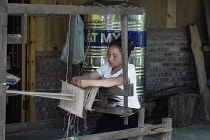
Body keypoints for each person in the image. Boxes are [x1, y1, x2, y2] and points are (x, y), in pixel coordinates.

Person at [72, 38, 140, 140]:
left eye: (115, 56)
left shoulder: (129, 69)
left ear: (124, 56)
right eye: (109, 54)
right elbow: (91, 76)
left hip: (129, 115)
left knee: (107, 137)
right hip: (112, 112)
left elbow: (117, 81)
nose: (110, 58)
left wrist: (88, 83)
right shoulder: (107, 66)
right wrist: (80, 78)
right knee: (95, 136)